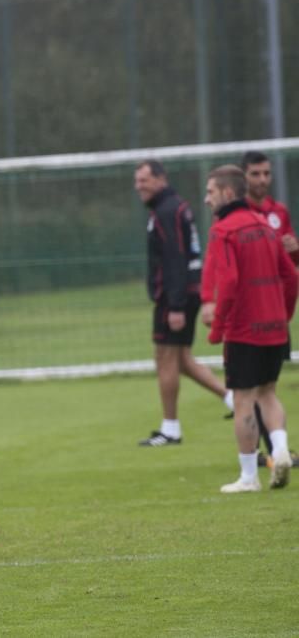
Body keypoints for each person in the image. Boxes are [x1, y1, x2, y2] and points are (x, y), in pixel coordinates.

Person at [202, 164, 297, 492]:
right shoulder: (266, 227)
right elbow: (292, 276)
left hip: (244, 330)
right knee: (268, 393)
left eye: (210, 191)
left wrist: (218, 327)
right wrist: (284, 315)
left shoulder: (224, 230)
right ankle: (281, 450)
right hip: (275, 329)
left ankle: (248, 477)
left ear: (227, 193)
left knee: (243, 399)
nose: (206, 198)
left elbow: (228, 282)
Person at [134, 159, 233, 447]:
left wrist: (175, 305)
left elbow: (176, 258)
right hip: (182, 292)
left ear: (161, 180)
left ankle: (170, 428)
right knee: (182, 361)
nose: (138, 185)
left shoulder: (167, 210)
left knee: (165, 359)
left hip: (174, 296)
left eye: (144, 180)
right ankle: (232, 398)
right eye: (137, 180)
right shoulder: (171, 207)